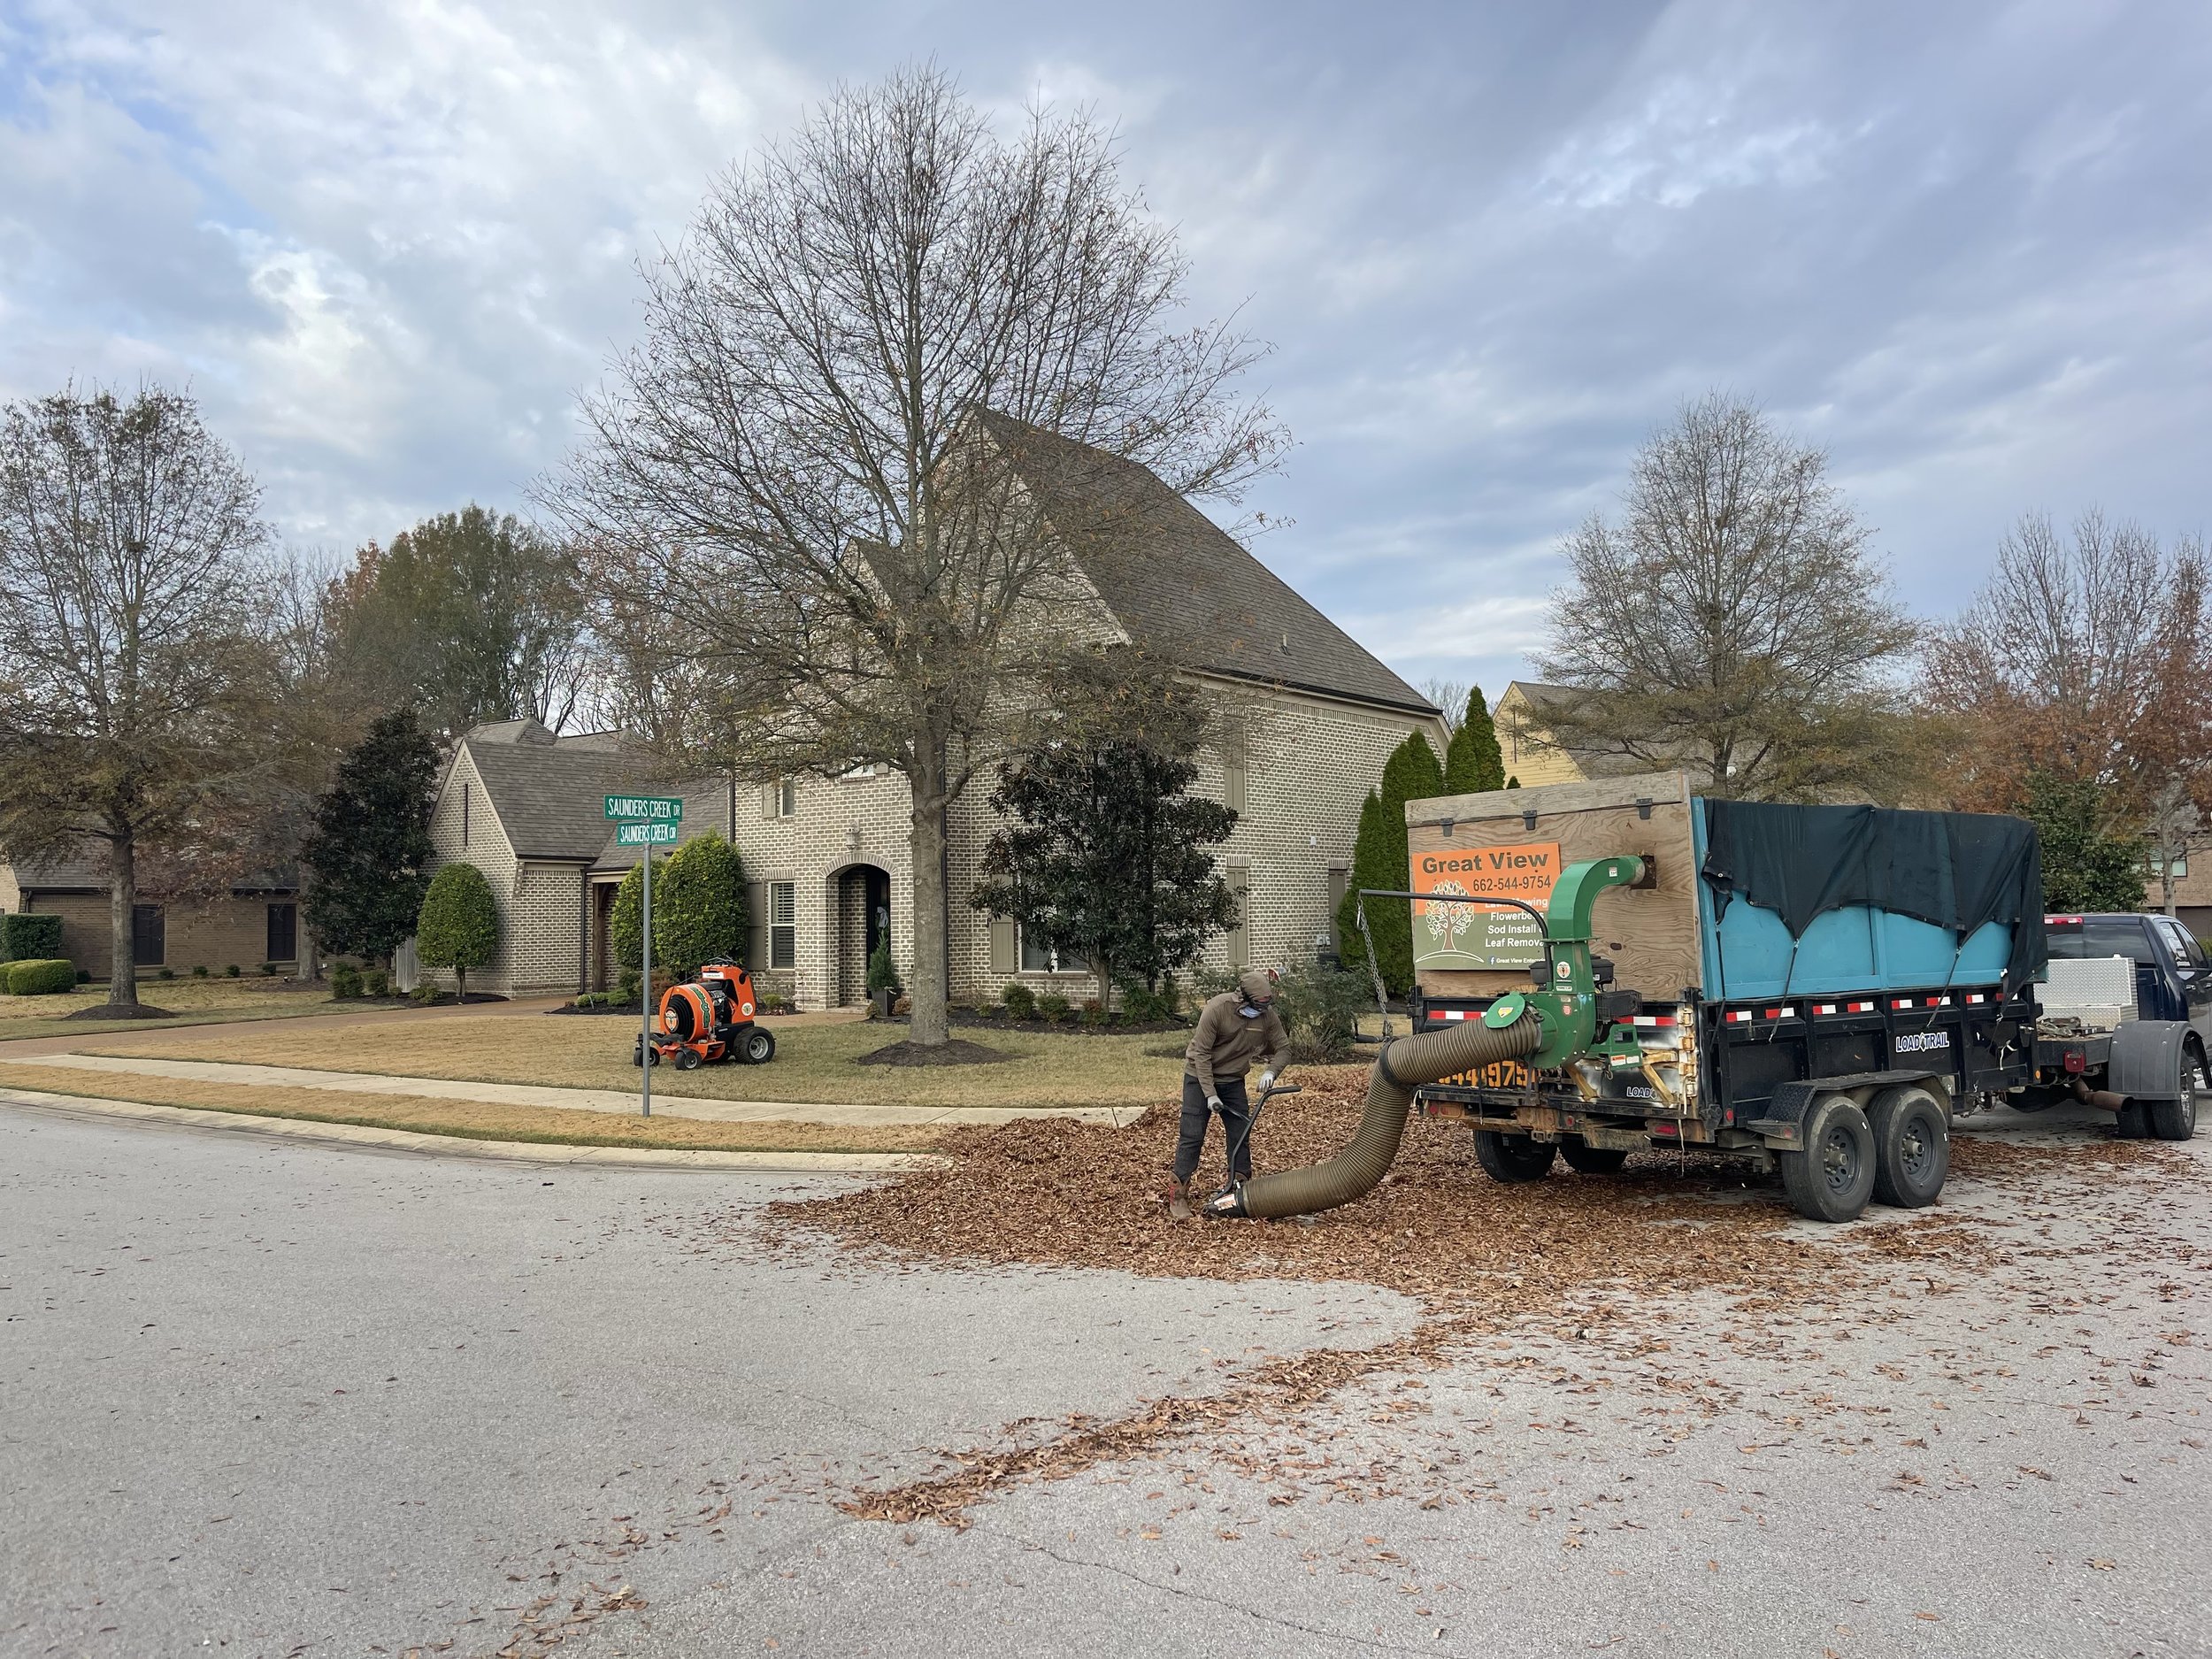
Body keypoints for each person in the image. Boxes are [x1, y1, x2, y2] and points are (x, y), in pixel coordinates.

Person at [1169, 967, 1291, 1217]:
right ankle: (1178, 1192)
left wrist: (1270, 1072)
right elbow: (1201, 1054)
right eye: (1257, 1005)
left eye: (1265, 1006)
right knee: (1192, 1135)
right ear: (1242, 998)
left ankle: (1239, 1189)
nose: (1262, 1011)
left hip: (1233, 1080)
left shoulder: (1266, 1016)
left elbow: (1284, 1048)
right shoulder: (1217, 1009)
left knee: (1240, 1134)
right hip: (1199, 1077)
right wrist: (1210, 1094)